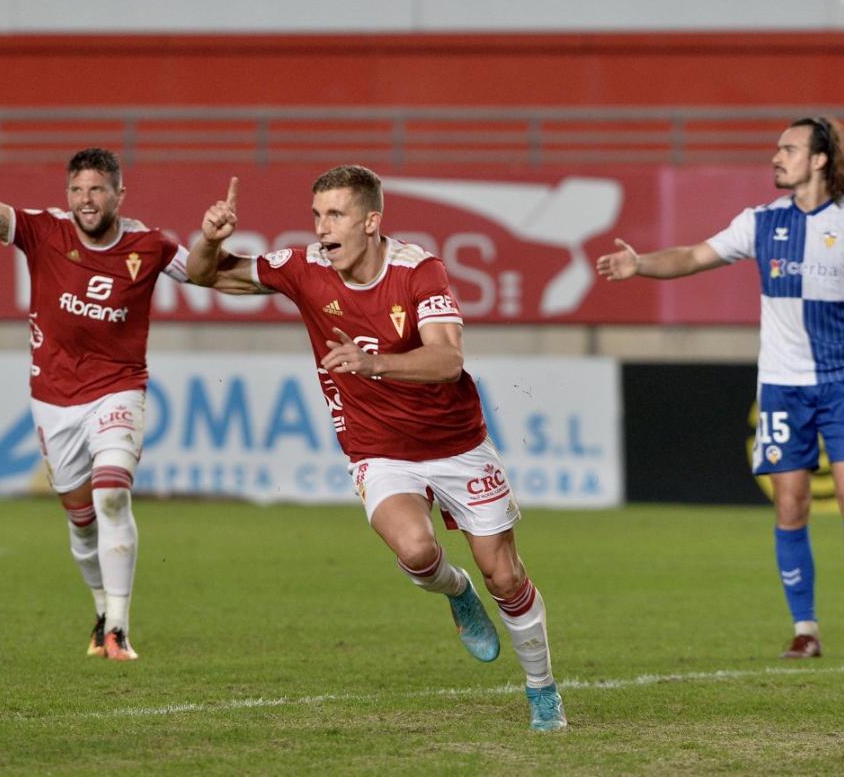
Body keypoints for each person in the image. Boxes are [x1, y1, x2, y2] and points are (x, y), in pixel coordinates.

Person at [186, 165, 567, 731]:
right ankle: (456, 592)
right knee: (416, 551)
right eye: (316, 215)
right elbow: (206, 277)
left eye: (334, 215)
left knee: (506, 577)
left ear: (371, 221)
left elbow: (448, 360)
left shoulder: (419, 271)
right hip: (377, 448)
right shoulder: (305, 268)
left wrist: (374, 363)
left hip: (457, 444)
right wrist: (210, 241)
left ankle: (543, 690)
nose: (321, 228)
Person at [596, 117, 844, 659]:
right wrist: (641, 264)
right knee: (790, 506)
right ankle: (806, 629)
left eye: (788, 149)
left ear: (819, 160)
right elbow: (696, 255)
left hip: (842, 384)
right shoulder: (760, 223)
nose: (776, 157)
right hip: (782, 387)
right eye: (776, 149)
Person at [0, 85, 189, 661]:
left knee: (111, 497)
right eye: (78, 189)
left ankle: (119, 629)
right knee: (81, 517)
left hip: (118, 388)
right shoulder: (42, 230)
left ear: (118, 193)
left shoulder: (150, 245)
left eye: (97, 190)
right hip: (53, 398)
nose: (86, 199)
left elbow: (209, 272)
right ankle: (102, 609)